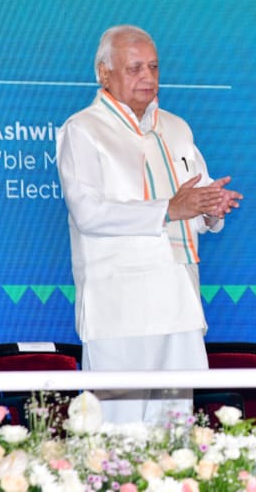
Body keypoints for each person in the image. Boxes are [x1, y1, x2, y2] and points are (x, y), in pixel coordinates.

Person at [56, 25, 241, 424]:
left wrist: (211, 208)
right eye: (135, 68)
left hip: (180, 300)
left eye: (154, 67)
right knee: (118, 434)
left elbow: (194, 202)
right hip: (120, 308)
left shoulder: (176, 127)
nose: (148, 77)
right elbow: (88, 213)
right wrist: (170, 209)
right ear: (104, 73)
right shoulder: (83, 129)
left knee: (175, 431)